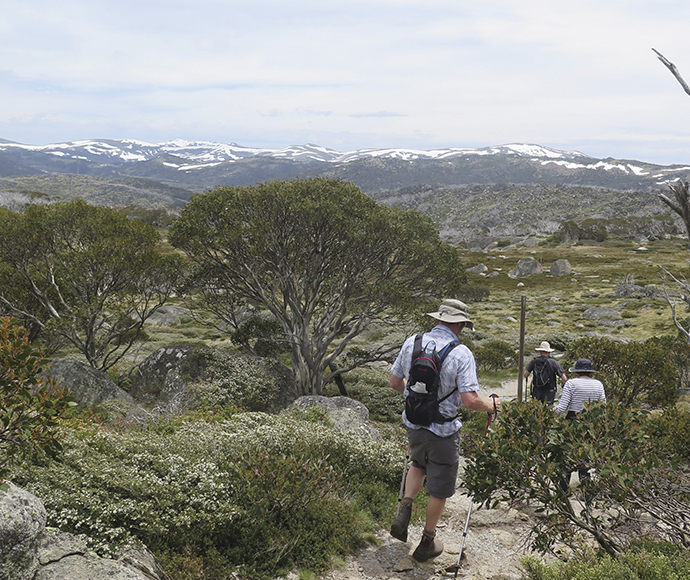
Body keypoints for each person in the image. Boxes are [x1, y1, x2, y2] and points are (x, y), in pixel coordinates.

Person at [389, 298, 500, 562]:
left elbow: (394, 382)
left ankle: (406, 506)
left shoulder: (412, 342)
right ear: (460, 323)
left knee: (418, 463)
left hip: (414, 422)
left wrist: (415, 395)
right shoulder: (461, 353)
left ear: (438, 318)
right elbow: (470, 401)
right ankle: (428, 541)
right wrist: (492, 406)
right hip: (444, 430)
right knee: (439, 488)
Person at [556, 358, 606, 492]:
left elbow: (562, 407)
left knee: (567, 456)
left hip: (572, 420)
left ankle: (563, 490)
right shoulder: (599, 384)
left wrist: (554, 419)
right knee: (585, 457)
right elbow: (603, 406)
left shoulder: (571, 384)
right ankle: (586, 490)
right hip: (590, 423)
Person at [524, 341, 567, 405]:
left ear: (540, 351)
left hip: (537, 390)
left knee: (535, 409)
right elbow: (564, 378)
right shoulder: (553, 362)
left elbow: (526, 375)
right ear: (549, 351)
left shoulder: (534, 361)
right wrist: (562, 385)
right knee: (548, 409)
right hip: (549, 390)